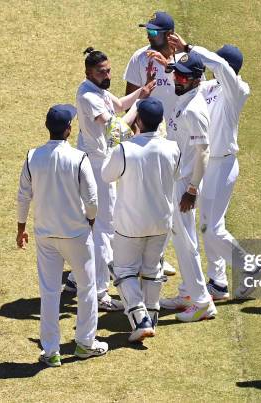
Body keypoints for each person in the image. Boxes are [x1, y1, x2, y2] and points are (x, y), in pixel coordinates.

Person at [163, 33, 261, 300]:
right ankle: (217, 283)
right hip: (205, 163)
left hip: (222, 164)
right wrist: (173, 60)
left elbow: (217, 65)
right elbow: (193, 83)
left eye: (218, 63)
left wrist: (188, 47)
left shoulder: (237, 90)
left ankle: (250, 267)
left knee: (211, 227)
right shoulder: (210, 87)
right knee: (206, 225)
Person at [16, 104, 108, 366]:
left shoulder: (33, 156)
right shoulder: (79, 158)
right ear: (69, 129)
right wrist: (89, 220)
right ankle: (85, 343)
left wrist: (21, 229)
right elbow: (91, 200)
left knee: (49, 292)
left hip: (45, 236)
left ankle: (51, 351)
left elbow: (23, 196)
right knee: (87, 288)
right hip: (76, 235)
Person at [66, 48, 156, 311]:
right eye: (101, 72)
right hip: (96, 165)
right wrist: (140, 104)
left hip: (98, 161)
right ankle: (100, 291)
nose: (107, 75)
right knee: (104, 228)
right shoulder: (88, 95)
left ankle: (75, 278)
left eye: (108, 70)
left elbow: (119, 106)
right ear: (88, 73)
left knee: (98, 225)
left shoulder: (99, 90)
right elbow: (115, 128)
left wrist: (142, 91)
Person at [101, 97, 180, 342]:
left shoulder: (124, 149)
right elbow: (176, 175)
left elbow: (106, 175)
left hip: (130, 225)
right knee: (152, 270)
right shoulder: (173, 148)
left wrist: (115, 144)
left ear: (139, 121)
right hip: (161, 222)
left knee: (124, 271)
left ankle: (141, 319)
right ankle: (152, 316)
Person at [158, 53, 217, 322]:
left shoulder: (193, 109)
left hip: (184, 184)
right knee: (182, 239)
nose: (177, 79)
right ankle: (188, 293)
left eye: (183, 76)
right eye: (176, 74)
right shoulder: (185, 99)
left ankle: (203, 302)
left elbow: (204, 152)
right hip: (176, 179)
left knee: (186, 242)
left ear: (195, 80)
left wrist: (191, 190)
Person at [124, 11, 181, 277]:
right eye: (148, 30)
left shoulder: (185, 61)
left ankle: (158, 255)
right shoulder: (139, 58)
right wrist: (137, 136)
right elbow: (130, 98)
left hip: (178, 139)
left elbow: (195, 91)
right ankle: (151, 256)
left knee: (169, 199)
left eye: (155, 32)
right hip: (149, 138)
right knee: (147, 196)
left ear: (169, 35)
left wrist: (171, 64)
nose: (149, 35)